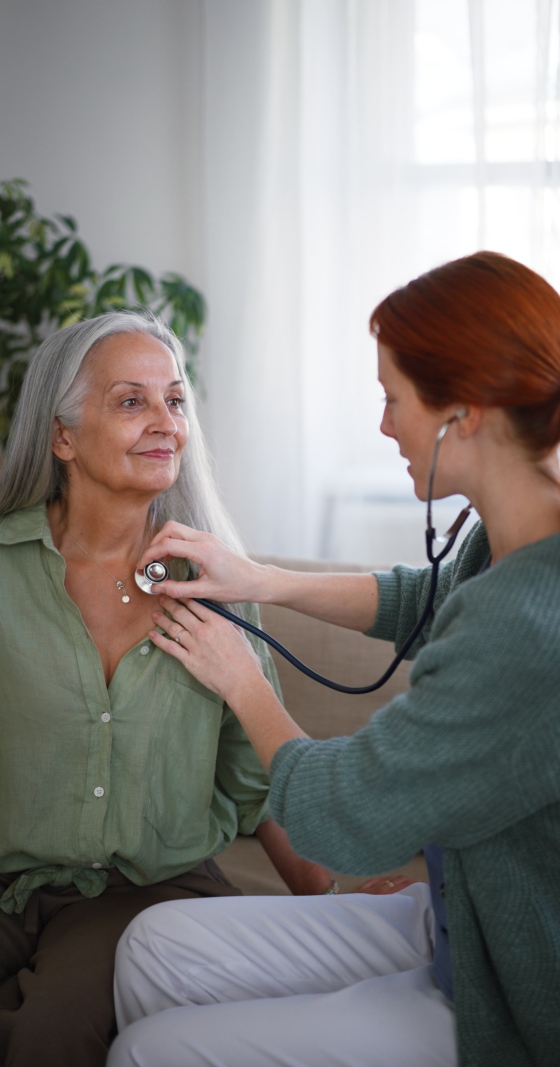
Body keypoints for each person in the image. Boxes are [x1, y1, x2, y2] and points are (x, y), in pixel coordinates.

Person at [108, 251, 560, 1067]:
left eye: (392, 399)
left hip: (526, 996)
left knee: (150, 1051)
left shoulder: (535, 625)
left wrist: (240, 677)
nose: (383, 426)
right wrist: (262, 578)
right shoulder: (529, 534)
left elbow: (348, 821)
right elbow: (424, 600)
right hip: (466, 918)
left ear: (462, 416)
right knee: (153, 945)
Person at [0, 310, 347, 1067]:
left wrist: (339, 910)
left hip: (150, 894)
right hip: (11, 884)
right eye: (132, 401)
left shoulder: (215, 587)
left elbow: (260, 785)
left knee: (49, 1036)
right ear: (62, 436)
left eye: (177, 401)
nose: (166, 424)